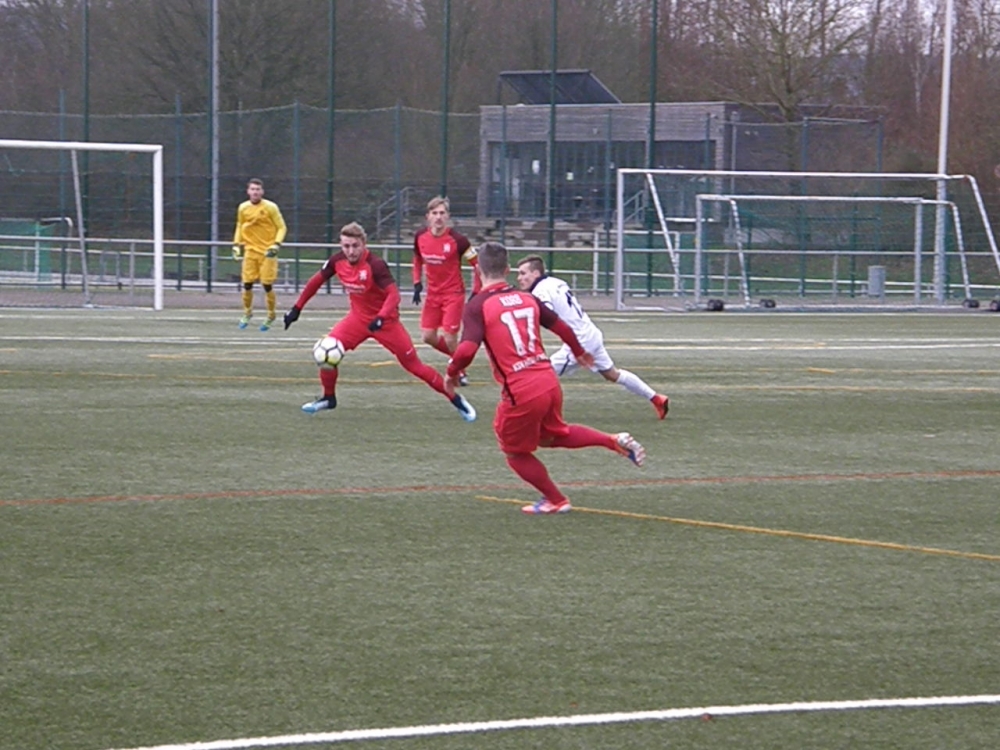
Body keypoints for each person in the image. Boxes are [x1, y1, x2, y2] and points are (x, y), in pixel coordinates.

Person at [444, 241, 646, 515]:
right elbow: (561, 326)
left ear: (478, 270)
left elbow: (467, 350)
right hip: (548, 380)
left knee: (514, 452)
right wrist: (579, 351)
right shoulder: (527, 297)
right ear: (507, 269)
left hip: (521, 390)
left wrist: (451, 374)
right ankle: (611, 440)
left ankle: (556, 499)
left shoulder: (478, 304)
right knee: (552, 435)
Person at [283, 221, 477, 422]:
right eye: (346, 246)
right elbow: (316, 281)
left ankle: (456, 399)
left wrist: (381, 317)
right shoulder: (337, 261)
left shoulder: (375, 265)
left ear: (364, 244)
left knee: (414, 366)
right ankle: (328, 398)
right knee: (326, 351)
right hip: (357, 320)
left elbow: (394, 295)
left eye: (355, 246)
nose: (351, 251)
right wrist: (296, 308)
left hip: (386, 323)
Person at [515, 254, 670, 420]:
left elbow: (546, 313)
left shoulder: (540, 291)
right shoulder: (555, 281)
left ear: (536, 273)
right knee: (612, 374)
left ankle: (531, 414)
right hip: (591, 334)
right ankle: (656, 398)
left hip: (580, 341)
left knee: (541, 375)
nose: (519, 278)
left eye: (523, 273)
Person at [411, 196, 480, 385]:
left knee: (450, 338)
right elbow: (417, 259)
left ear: (448, 216)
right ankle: (458, 359)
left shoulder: (458, 240)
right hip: (432, 295)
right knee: (428, 337)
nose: (438, 217)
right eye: (434, 213)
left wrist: (476, 291)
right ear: (428, 216)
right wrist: (417, 283)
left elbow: (477, 264)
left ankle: (460, 371)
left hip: (453, 294)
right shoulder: (420, 237)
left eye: (442, 213)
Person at [232, 178, 287, 331]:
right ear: (248, 191)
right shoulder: (243, 208)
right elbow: (240, 225)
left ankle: (271, 314)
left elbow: (282, 227)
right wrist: (236, 245)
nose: (255, 192)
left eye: (258, 189)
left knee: (267, 285)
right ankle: (247, 313)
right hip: (250, 250)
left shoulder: (270, 207)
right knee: (247, 284)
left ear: (262, 191)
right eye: (252, 189)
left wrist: (276, 244)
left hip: (267, 252)